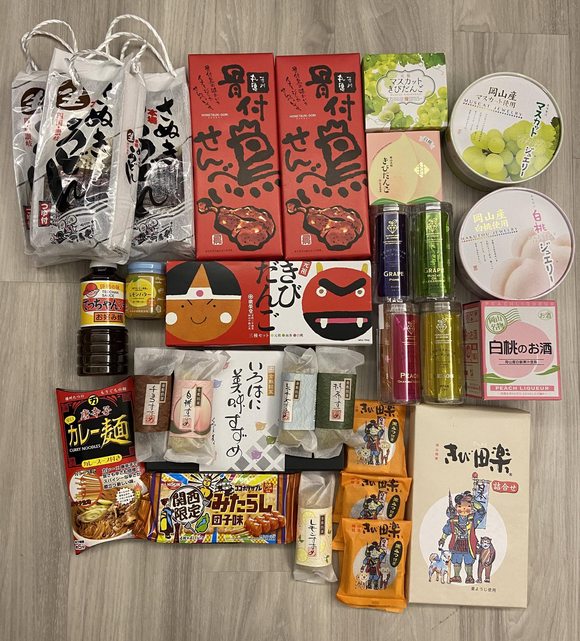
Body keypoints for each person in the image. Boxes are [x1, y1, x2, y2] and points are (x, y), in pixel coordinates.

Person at [438, 490, 486, 584]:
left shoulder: (473, 519)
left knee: (469, 561)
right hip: (457, 543)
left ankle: (469, 577)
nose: (464, 509)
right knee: (456, 560)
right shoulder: (453, 520)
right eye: (460, 506)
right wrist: (442, 539)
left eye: (467, 506)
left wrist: (473, 501)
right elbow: (447, 530)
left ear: (471, 507)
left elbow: (481, 512)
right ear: (456, 507)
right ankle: (457, 576)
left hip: (469, 543)